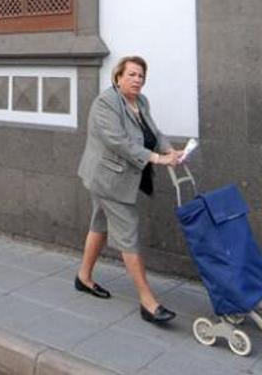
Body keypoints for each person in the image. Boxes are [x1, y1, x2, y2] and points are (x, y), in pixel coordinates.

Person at [74, 56, 183, 324]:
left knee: (100, 223)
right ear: (118, 77)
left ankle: (83, 277)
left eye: (141, 76)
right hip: (108, 178)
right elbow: (118, 141)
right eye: (132, 74)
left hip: (120, 177)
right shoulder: (105, 103)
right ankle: (148, 302)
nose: (137, 80)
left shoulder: (141, 102)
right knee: (128, 233)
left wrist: (170, 150)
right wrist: (156, 159)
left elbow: (153, 133)